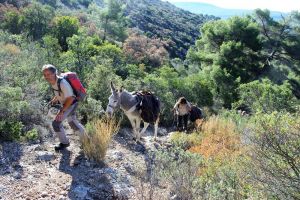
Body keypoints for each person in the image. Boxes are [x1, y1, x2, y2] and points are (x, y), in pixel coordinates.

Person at [42, 64, 85, 151]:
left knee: (56, 123)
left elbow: (71, 97)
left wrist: (62, 111)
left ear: (54, 73)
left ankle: (65, 143)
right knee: (73, 123)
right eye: (45, 75)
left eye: (49, 74)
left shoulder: (62, 83)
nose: (47, 77)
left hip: (71, 104)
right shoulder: (53, 81)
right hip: (67, 104)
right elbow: (59, 91)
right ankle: (86, 141)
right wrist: (55, 98)